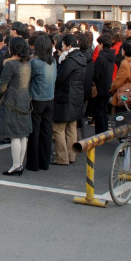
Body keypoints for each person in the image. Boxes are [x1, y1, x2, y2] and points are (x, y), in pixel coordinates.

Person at [0, 36, 32, 174]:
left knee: (14, 134)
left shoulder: (10, 65)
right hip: (25, 99)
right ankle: (19, 164)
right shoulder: (27, 63)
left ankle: (16, 165)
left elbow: (2, 85)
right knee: (23, 134)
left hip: (12, 100)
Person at [52, 34, 86, 166]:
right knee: (72, 127)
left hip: (65, 96)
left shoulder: (70, 61)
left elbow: (60, 78)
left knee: (58, 128)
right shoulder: (82, 58)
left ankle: (62, 157)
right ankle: (71, 155)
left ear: (69, 46)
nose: (63, 48)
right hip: (77, 95)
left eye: (64, 46)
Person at [27, 35, 57, 171]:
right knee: (46, 131)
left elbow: (28, 78)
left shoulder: (35, 63)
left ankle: (33, 163)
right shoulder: (53, 61)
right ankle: (44, 162)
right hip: (50, 98)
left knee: (35, 132)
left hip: (37, 99)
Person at [91, 33, 115, 134]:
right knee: (104, 111)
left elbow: (96, 74)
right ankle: (105, 132)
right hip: (108, 86)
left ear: (101, 44)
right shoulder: (112, 56)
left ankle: (100, 133)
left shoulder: (101, 58)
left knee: (99, 112)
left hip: (99, 88)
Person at [110, 40, 131, 112]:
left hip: (124, 96)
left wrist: (112, 88)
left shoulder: (125, 64)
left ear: (124, 51)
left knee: (120, 117)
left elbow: (118, 82)